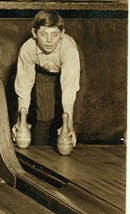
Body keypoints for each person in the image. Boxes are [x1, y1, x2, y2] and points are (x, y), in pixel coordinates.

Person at [12, 9, 80, 147]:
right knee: (44, 116)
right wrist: (21, 120)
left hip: (70, 71)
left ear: (62, 34)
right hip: (44, 71)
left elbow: (68, 89)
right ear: (34, 33)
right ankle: (38, 154)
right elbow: (24, 85)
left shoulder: (69, 50)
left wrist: (69, 124)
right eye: (43, 34)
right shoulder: (27, 49)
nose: (49, 41)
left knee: (72, 116)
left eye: (54, 35)